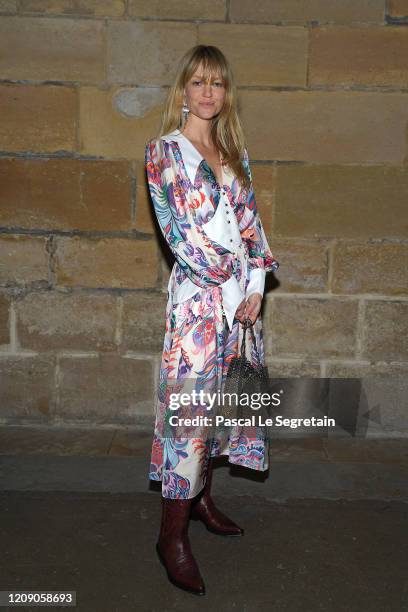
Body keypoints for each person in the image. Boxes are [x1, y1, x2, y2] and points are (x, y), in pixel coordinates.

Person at [145, 44, 279, 596]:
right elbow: (178, 235)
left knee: (226, 406)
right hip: (199, 305)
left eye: (217, 84)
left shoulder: (232, 151)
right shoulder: (163, 153)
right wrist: (231, 280)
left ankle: (202, 501)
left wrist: (254, 285)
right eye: (199, 82)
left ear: (226, 94)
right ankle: (171, 535)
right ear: (183, 90)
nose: (208, 92)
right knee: (190, 416)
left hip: (240, 307)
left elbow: (251, 225)